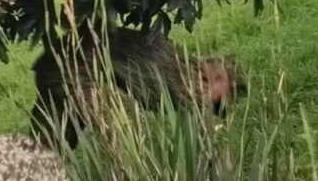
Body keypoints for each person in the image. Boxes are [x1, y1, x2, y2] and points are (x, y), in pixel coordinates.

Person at [31, 25, 240, 143]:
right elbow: (185, 101)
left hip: (55, 66)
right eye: (219, 98)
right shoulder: (180, 73)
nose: (212, 104)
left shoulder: (175, 57)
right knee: (129, 138)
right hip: (75, 72)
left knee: (41, 150)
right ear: (218, 79)